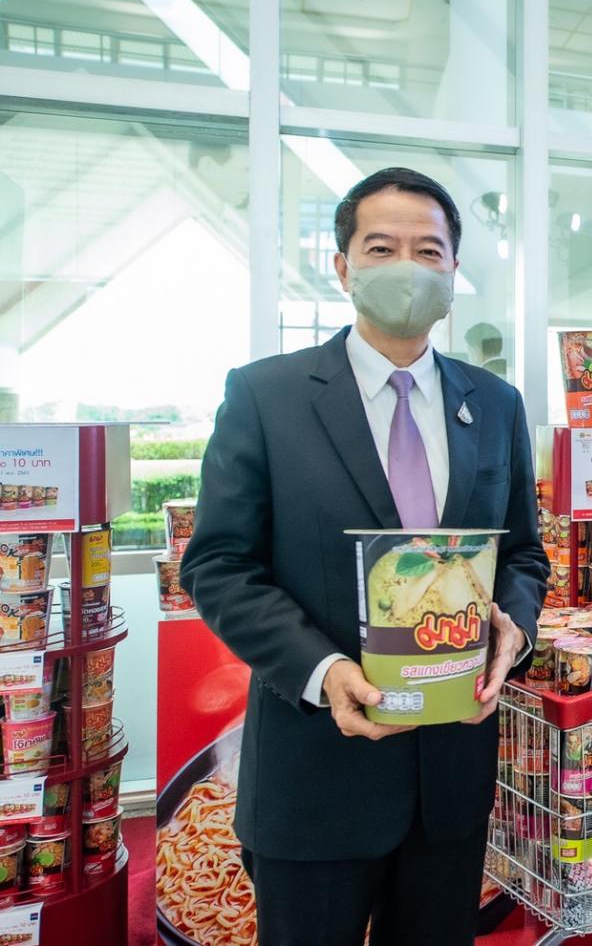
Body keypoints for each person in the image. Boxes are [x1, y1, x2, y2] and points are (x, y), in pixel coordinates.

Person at [181, 167, 548, 946]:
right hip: (316, 777)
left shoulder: (496, 405)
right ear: (343, 267)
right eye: (381, 247)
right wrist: (321, 671)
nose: (407, 268)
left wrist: (514, 628)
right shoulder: (266, 397)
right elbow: (218, 564)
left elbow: (521, 554)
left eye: (429, 250)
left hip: (449, 781)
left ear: (453, 271)